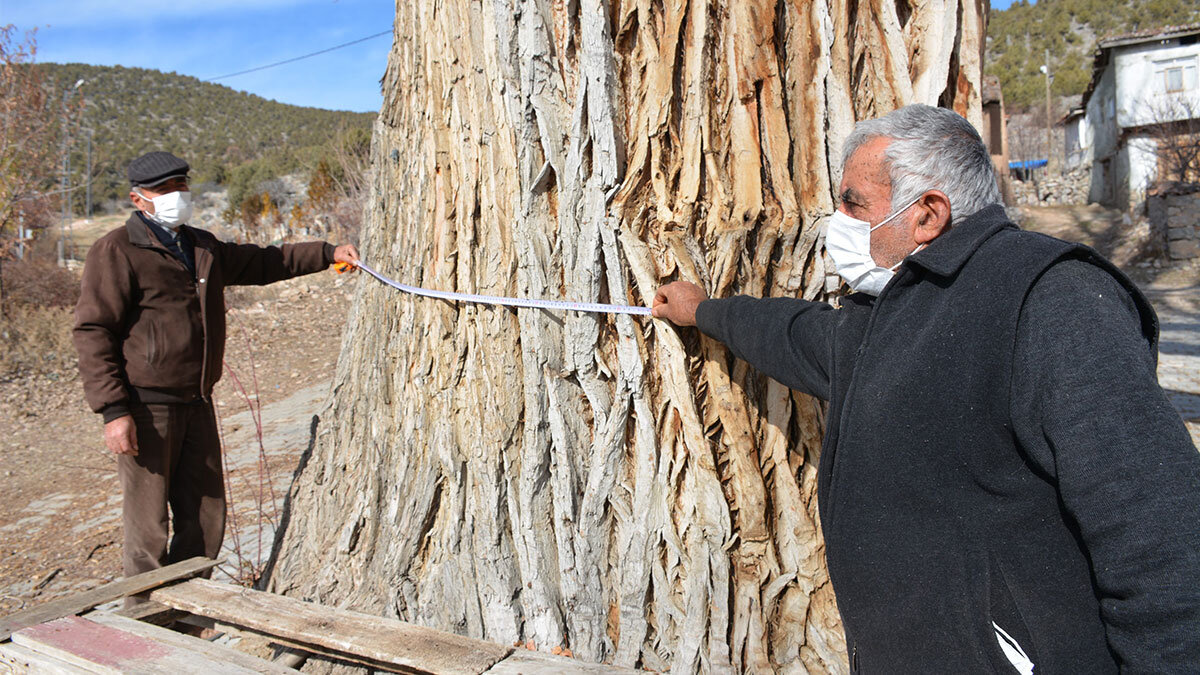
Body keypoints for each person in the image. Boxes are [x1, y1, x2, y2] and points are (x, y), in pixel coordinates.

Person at [652, 105, 1200, 672]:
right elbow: (799, 337)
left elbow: (1159, 532)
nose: (836, 219)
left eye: (854, 203)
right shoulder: (895, 307)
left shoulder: (1052, 299)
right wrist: (705, 312)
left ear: (927, 214)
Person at [73, 151, 358, 590]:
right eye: (164, 190)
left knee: (205, 516)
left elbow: (265, 262)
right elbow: (93, 330)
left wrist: (326, 252)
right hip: (146, 407)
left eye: (181, 186)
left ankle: (192, 613)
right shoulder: (115, 250)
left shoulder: (200, 245)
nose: (177, 196)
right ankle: (150, 624)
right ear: (138, 198)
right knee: (148, 529)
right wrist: (113, 411)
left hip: (197, 400)